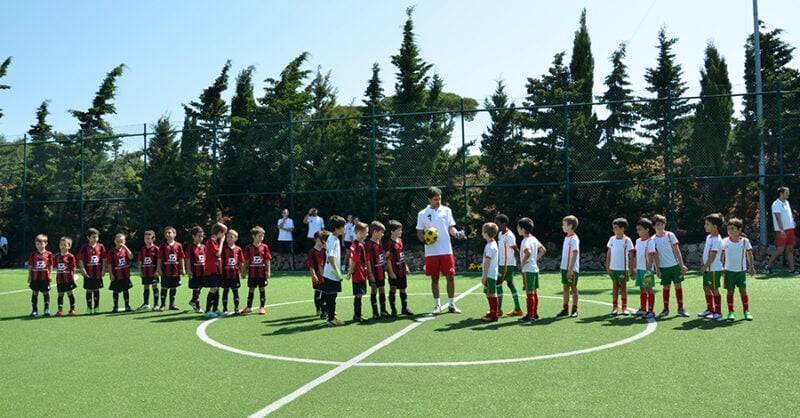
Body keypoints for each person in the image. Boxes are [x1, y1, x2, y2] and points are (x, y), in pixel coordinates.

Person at [416, 186, 466, 315]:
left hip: (446, 250)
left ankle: (451, 304)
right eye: (435, 199)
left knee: (450, 277)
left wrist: (456, 234)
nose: (438, 202)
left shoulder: (447, 210)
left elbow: (451, 227)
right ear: (429, 200)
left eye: (439, 199)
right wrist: (425, 240)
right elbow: (419, 232)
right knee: (435, 278)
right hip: (431, 251)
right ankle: (437, 305)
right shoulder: (422, 214)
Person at [651, 214, 689, 317]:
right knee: (666, 287)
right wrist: (657, 270)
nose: (660, 227)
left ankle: (681, 308)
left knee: (678, 286)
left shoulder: (670, 235)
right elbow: (655, 256)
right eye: (657, 225)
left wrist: (681, 265)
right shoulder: (653, 239)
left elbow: (677, 251)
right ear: (654, 226)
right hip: (664, 268)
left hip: (675, 266)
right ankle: (665, 309)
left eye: (662, 224)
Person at [721, 218, 755, 321]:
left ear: (739, 229)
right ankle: (731, 312)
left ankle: (746, 311)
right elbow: (721, 255)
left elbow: (749, 254)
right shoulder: (725, 241)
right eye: (728, 229)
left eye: (733, 228)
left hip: (741, 271)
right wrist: (721, 267)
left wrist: (751, 267)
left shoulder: (745, 241)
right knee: (730, 291)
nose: (730, 231)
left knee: (743, 291)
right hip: (729, 271)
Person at [516, 217, 545, 323]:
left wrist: (522, 264)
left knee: (529, 293)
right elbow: (542, 250)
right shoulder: (533, 238)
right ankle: (535, 313)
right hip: (534, 268)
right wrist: (535, 259)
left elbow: (527, 253)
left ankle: (530, 315)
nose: (517, 229)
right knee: (534, 292)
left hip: (528, 269)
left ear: (523, 229)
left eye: (518, 227)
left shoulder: (525, 241)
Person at [764, 187, 798, 275]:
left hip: (790, 229)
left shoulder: (787, 202)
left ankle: (792, 270)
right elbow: (778, 218)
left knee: (790, 249)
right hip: (781, 231)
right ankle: (767, 267)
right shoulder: (776, 204)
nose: (788, 194)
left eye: (788, 192)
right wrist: (782, 230)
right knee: (780, 249)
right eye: (786, 192)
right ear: (781, 193)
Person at [495, 214, 523, 317]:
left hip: (507, 264)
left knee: (497, 283)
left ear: (504, 224)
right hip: (502, 263)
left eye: (497, 224)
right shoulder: (500, 234)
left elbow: (515, 249)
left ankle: (498, 310)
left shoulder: (509, 235)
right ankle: (518, 309)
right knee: (510, 284)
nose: (496, 226)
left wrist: (520, 262)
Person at [605, 217, 635, 316]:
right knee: (614, 287)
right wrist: (608, 266)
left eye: (616, 228)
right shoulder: (612, 239)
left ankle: (624, 306)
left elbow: (631, 255)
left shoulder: (627, 240)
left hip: (623, 268)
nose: (614, 230)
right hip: (613, 268)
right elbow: (609, 253)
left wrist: (631, 268)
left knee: (623, 287)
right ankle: (615, 306)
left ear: (622, 229)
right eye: (613, 228)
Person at [698, 213, 724, 320]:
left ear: (715, 227)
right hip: (707, 269)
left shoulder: (717, 239)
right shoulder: (708, 237)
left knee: (714, 289)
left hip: (713, 269)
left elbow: (713, 256)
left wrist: (705, 266)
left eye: (707, 224)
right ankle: (709, 309)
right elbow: (706, 253)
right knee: (706, 288)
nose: (705, 226)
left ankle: (718, 312)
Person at [322, 215, 346, 326]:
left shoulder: (332, 238)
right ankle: (331, 319)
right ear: (337, 228)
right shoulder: (334, 240)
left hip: (328, 272)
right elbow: (331, 258)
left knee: (331, 295)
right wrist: (337, 272)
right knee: (332, 296)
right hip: (331, 273)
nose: (344, 229)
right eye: (343, 226)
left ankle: (331, 315)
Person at [385, 220, 413, 317]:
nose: (401, 232)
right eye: (399, 230)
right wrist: (391, 272)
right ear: (392, 231)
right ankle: (393, 310)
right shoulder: (390, 244)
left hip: (401, 270)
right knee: (393, 288)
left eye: (401, 230)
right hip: (394, 270)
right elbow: (388, 259)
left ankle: (404, 308)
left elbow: (402, 255)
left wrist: (405, 266)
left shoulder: (400, 241)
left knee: (403, 289)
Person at [243, 226, 271, 315]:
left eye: (262, 236)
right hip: (252, 272)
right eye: (259, 236)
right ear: (254, 236)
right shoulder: (249, 247)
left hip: (262, 272)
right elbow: (246, 260)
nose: (261, 238)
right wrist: (244, 271)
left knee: (262, 288)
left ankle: (262, 307)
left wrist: (268, 270)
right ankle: (249, 306)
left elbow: (267, 259)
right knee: (251, 289)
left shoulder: (265, 247)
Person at [632, 218, 657, 319]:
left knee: (649, 289)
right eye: (637, 229)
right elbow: (636, 255)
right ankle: (643, 309)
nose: (638, 232)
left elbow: (651, 256)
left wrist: (648, 270)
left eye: (640, 229)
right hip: (639, 269)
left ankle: (651, 311)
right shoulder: (638, 241)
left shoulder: (650, 241)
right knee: (642, 288)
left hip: (647, 270)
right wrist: (634, 268)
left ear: (647, 230)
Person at [77, 227, 106, 315]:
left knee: (96, 289)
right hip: (88, 273)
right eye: (93, 237)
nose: (96, 239)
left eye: (97, 237)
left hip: (97, 272)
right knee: (89, 290)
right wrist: (82, 269)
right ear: (88, 238)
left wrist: (103, 269)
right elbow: (80, 259)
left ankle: (96, 307)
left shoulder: (101, 246)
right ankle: (89, 308)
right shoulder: (84, 247)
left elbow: (104, 258)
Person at [557, 215, 581, 318]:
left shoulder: (574, 238)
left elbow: (575, 254)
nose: (562, 226)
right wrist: (562, 267)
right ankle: (565, 308)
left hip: (572, 269)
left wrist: (571, 269)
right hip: (564, 268)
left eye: (564, 224)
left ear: (570, 226)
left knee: (573, 288)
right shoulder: (566, 237)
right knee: (565, 288)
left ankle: (575, 309)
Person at [157, 226, 185, 312]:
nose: (167, 234)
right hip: (165, 270)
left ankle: (172, 304)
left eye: (169, 232)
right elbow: (159, 258)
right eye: (166, 233)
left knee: (174, 287)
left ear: (174, 234)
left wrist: (182, 268)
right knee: (164, 287)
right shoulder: (162, 246)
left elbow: (181, 258)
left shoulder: (179, 245)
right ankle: (162, 305)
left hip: (175, 271)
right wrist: (158, 268)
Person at [203, 222, 227, 317]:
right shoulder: (211, 241)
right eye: (223, 233)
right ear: (220, 232)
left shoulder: (214, 241)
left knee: (217, 289)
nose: (224, 235)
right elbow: (218, 253)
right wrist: (221, 242)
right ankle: (208, 310)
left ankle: (215, 309)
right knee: (213, 288)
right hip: (212, 268)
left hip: (217, 268)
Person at [366, 220, 389, 319]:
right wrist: (370, 274)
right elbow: (367, 260)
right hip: (374, 272)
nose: (383, 234)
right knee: (374, 290)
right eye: (381, 232)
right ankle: (375, 312)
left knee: (382, 289)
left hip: (381, 271)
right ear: (375, 232)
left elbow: (380, 256)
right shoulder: (369, 245)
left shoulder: (379, 243)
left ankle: (383, 310)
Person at [219, 229, 245, 315]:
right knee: (225, 291)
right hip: (225, 275)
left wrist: (242, 272)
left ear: (236, 238)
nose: (229, 238)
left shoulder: (238, 249)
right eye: (228, 237)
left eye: (231, 237)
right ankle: (225, 308)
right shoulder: (223, 249)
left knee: (235, 291)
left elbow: (241, 261)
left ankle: (236, 308)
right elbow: (220, 260)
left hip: (235, 275)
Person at [106, 233, 134, 313]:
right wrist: (111, 274)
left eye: (121, 241)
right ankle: (115, 306)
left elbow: (131, 257)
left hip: (125, 274)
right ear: (115, 241)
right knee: (116, 291)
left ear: (125, 241)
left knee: (126, 290)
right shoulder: (112, 252)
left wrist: (125, 247)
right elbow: (109, 264)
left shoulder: (125, 250)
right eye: (118, 241)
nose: (120, 243)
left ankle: (127, 306)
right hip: (116, 275)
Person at [28, 234, 53, 317]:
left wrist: (50, 274)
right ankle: (34, 309)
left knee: (45, 292)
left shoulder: (49, 254)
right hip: (35, 277)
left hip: (44, 277)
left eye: (41, 244)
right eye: (37, 244)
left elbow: (50, 265)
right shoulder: (33, 255)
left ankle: (46, 309)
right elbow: (30, 265)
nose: (39, 246)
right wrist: (29, 276)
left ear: (46, 243)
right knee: (35, 292)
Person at [348, 222, 369, 322]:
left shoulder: (355, 244)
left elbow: (351, 258)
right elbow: (354, 259)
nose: (367, 234)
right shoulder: (358, 245)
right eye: (366, 232)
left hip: (360, 272)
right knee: (358, 294)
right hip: (358, 273)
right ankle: (357, 315)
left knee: (359, 294)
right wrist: (351, 271)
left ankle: (358, 314)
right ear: (359, 232)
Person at [480, 222, 500, 323]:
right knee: (488, 293)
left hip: (490, 274)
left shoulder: (490, 246)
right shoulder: (490, 244)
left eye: (482, 231)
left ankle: (494, 314)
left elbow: (487, 262)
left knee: (491, 293)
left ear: (486, 233)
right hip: (490, 273)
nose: (481, 232)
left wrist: (484, 276)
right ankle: (492, 311)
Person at [185, 226, 207, 314]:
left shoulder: (204, 247)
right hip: (194, 271)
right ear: (193, 236)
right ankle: (197, 306)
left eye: (202, 236)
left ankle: (193, 300)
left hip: (203, 271)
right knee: (196, 288)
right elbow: (188, 259)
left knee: (200, 287)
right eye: (199, 236)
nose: (201, 238)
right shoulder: (190, 247)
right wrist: (189, 270)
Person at [54, 236, 78, 316]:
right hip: (60, 279)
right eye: (61, 245)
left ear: (69, 246)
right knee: (60, 294)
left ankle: (72, 309)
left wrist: (72, 276)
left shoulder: (70, 256)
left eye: (65, 245)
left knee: (69, 293)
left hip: (68, 279)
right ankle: (60, 310)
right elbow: (55, 266)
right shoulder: (57, 256)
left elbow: (74, 267)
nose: (63, 246)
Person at [307, 230, 329, 318]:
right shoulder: (312, 251)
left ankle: (324, 309)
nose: (324, 242)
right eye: (322, 240)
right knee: (317, 292)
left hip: (324, 275)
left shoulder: (324, 250)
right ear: (316, 240)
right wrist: (314, 275)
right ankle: (318, 309)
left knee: (324, 292)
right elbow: (311, 265)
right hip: (317, 275)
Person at [137, 230, 160, 310]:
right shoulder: (142, 249)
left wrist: (158, 270)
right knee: (146, 286)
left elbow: (159, 260)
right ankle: (146, 303)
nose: (146, 240)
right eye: (145, 238)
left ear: (153, 239)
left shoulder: (156, 249)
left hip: (153, 272)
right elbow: (140, 261)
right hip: (145, 272)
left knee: (154, 286)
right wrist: (140, 271)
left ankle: (156, 304)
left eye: (148, 238)